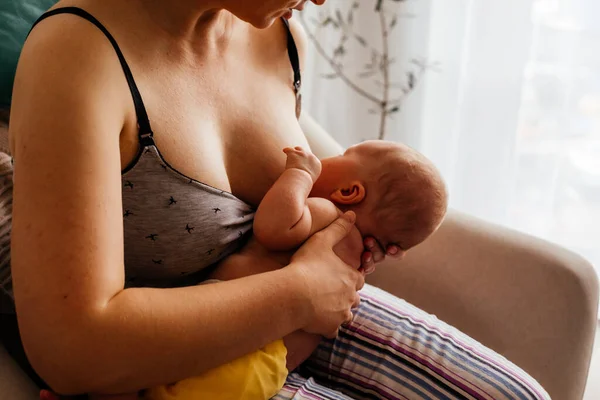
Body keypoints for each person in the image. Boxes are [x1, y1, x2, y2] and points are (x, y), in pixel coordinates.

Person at [4, 0, 551, 399]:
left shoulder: (282, 37)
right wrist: (299, 291)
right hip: (172, 359)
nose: (318, 1)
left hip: (302, 319)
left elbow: (333, 192)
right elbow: (72, 349)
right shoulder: (77, 55)